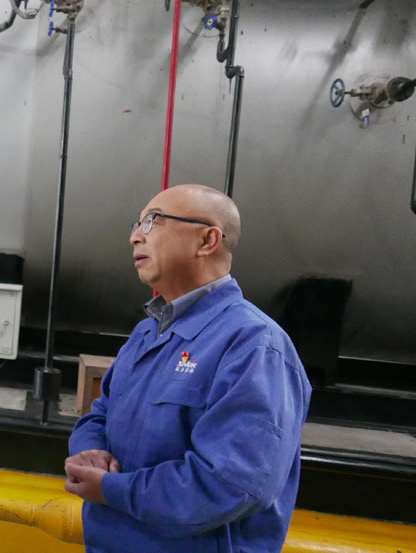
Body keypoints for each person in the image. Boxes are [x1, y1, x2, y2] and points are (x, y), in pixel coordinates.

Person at [65, 184, 312, 552]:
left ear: (207, 240)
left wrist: (113, 489)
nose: (135, 237)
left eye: (153, 222)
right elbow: (101, 414)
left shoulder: (253, 344)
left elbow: (231, 485)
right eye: (137, 224)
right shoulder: (147, 332)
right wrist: (89, 450)